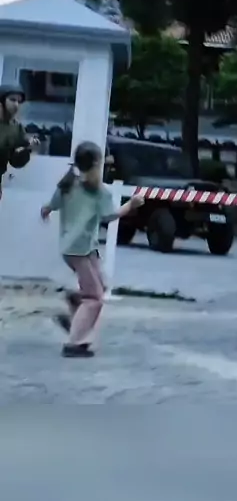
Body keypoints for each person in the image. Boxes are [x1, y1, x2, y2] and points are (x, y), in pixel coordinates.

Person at [41, 140, 145, 358]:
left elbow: (53, 204)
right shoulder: (98, 192)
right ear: (97, 164)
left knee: (101, 286)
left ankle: (76, 309)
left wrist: (46, 210)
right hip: (80, 250)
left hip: (76, 248)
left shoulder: (68, 183)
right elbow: (110, 216)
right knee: (94, 298)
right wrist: (132, 204)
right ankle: (74, 343)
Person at [0, 83, 34, 200]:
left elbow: (15, 162)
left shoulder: (16, 128)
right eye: (12, 100)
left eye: (19, 101)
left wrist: (27, 149)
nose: (16, 105)